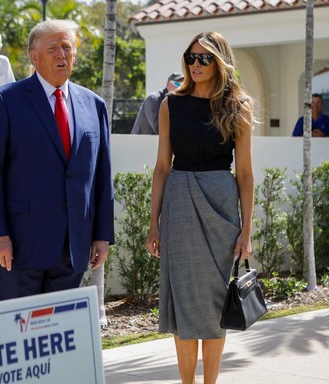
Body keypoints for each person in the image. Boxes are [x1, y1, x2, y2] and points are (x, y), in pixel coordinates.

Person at [0, 19, 114, 302]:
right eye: (53, 48)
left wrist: (101, 234)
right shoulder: (4, 101)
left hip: (73, 247)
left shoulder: (94, 105)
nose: (62, 55)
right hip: (18, 247)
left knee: (60, 337)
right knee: (15, 333)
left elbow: (101, 176)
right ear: (34, 56)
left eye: (67, 47)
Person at [145, 32, 255, 384]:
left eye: (204, 58)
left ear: (220, 61)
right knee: (185, 299)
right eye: (191, 57)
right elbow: (162, 166)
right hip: (179, 203)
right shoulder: (170, 105)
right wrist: (153, 223)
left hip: (221, 206)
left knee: (213, 300)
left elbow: (247, 174)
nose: (195, 64)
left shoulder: (238, 106)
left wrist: (247, 230)